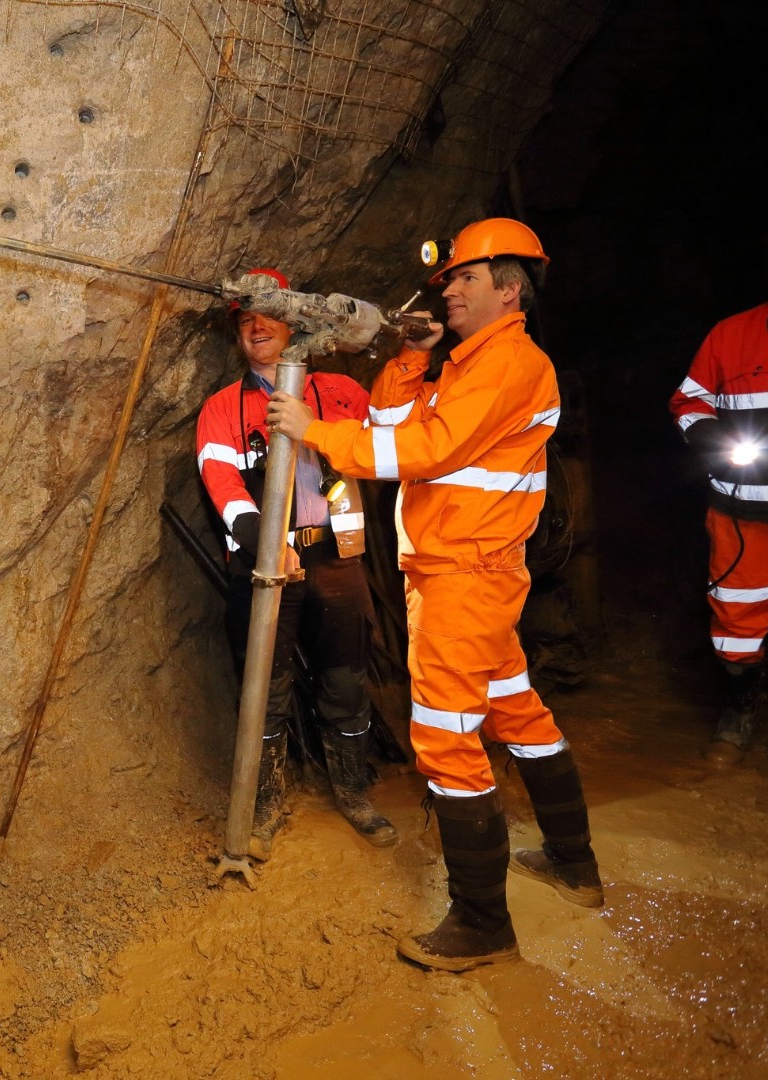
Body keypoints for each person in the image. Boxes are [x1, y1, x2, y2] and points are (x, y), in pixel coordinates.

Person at [266, 219, 603, 971]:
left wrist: (312, 431)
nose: (448, 287)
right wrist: (411, 358)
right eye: (448, 277)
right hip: (466, 571)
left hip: (466, 577)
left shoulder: (509, 364)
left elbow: (419, 453)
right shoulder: (466, 364)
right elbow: (393, 424)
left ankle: (483, 923)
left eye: (465, 278)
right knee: (515, 708)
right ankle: (574, 864)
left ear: (509, 289)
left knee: (447, 738)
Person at [195, 267, 398, 862]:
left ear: (296, 323)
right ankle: (264, 801)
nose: (257, 329)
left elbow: (395, 437)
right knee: (265, 687)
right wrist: (263, 543)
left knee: (344, 681)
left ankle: (354, 793)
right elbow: (222, 483)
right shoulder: (222, 410)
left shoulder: (337, 392)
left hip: (334, 558)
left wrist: (408, 354)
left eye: (269, 317)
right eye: (246, 322)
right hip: (263, 568)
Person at [668, 240, 768, 766]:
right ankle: (737, 714)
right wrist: (708, 435)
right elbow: (689, 398)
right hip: (743, 513)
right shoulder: (732, 334)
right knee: (737, 617)